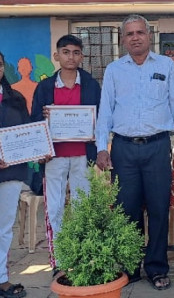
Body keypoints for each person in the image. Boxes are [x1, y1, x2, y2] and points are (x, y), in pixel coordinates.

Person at [95, 14, 174, 291]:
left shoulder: (166, 65)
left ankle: (157, 268)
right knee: (127, 209)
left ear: (149, 36)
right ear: (123, 39)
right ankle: (131, 266)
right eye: (129, 34)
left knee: (159, 209)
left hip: (158, 146)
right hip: (123, 148)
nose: (135, 37)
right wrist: (102, 147)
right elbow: (105, 110)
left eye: (140, 32)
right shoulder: (114, 69)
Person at [31, 35, 101, 273]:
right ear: (56, 56)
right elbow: (35, 122)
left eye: (76, 52)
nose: (71, 57)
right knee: (55, 208)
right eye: (66, 52)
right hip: (54, 157)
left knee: (83, 206)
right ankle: (60, 260)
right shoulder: (45, 87)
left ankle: (83, 256)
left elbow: (100, 119)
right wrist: (44, 121)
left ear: (82, 56)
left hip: (83, 155)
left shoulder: (91, 84)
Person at [0, 52, 28, 298]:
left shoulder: (15, 99)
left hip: (10, 172)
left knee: (5, 227)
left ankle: (2, 279)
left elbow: (27, 135)